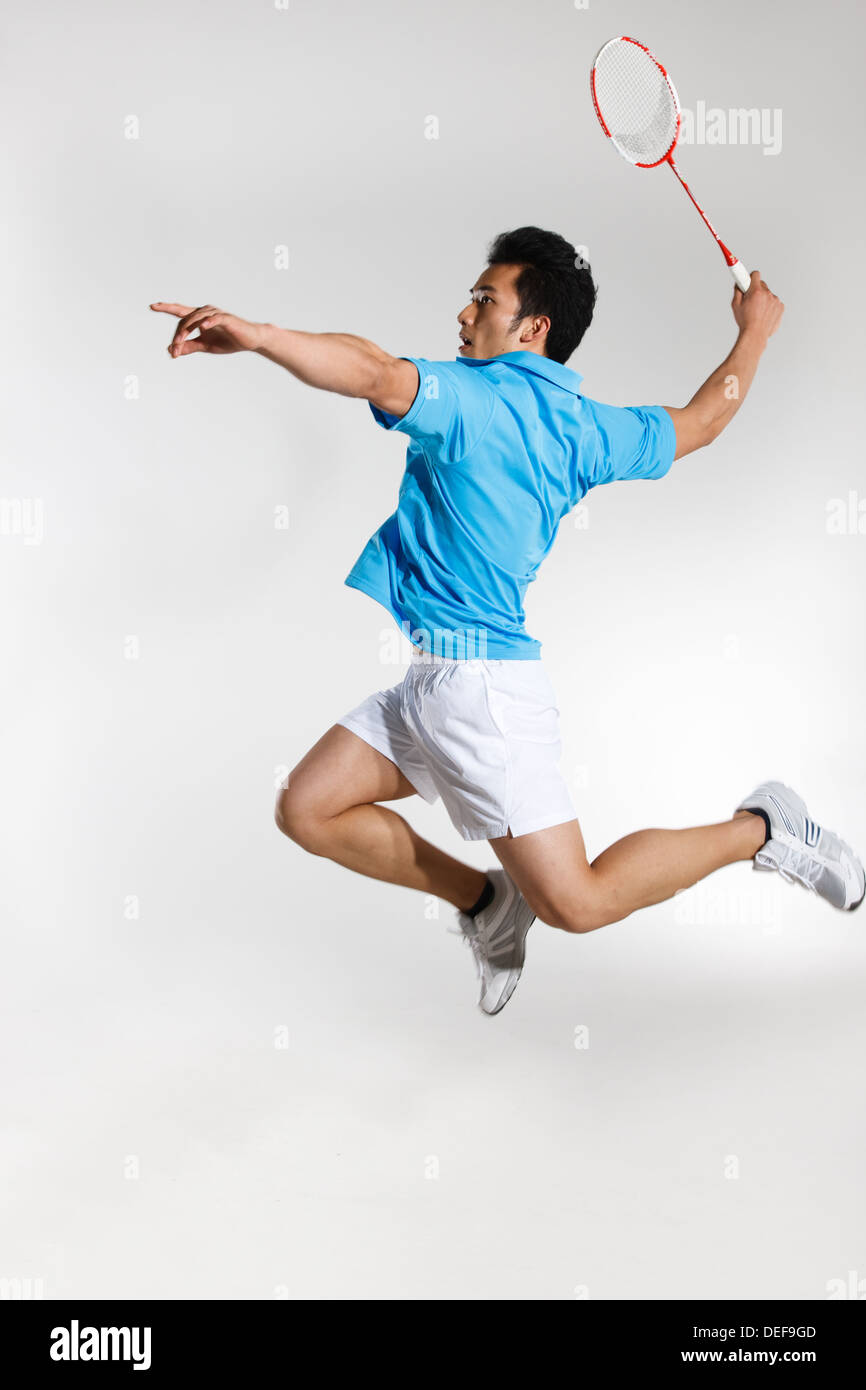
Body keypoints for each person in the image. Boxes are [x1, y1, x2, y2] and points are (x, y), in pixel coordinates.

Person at [150, 226, 864, 1017]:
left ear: (533, 329)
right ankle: (489, 904)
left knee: (580, 904)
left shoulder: (471, 401)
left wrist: (258, 337)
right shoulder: (588, 427)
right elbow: (701, 421)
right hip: (434, 679)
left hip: (484, 692)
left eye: (485, 299)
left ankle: (765, 829)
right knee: (309, 807)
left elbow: (373, 371)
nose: (464, 313)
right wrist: (755, 334)